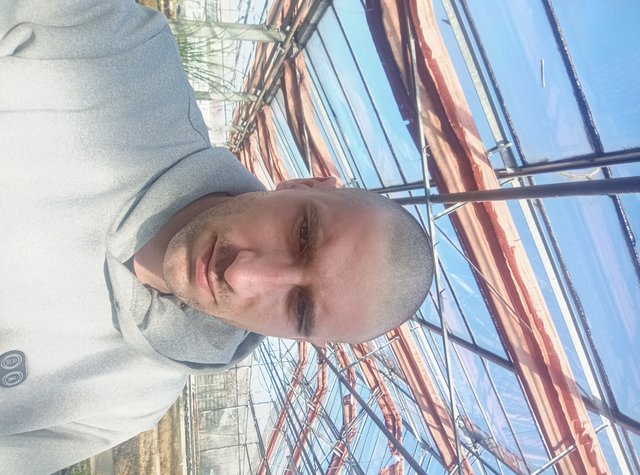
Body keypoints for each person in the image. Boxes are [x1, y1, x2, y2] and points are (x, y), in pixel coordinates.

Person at [0, 1, 433, 473]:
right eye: (302, 233)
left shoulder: (127, 404)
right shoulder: (120, 55)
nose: (243, 274)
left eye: (299, 308)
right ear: (303, 184)